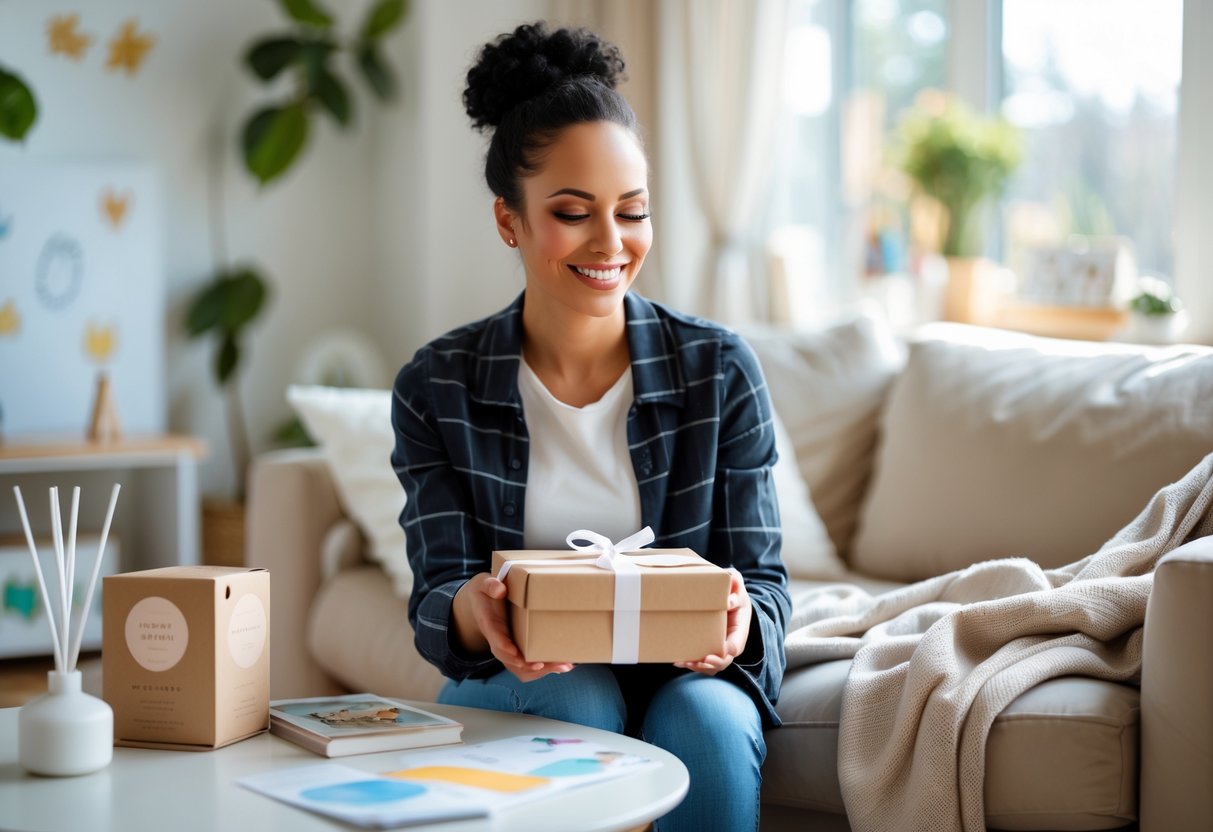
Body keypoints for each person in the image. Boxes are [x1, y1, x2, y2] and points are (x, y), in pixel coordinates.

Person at [390, 22, 790, 831]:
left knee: (707, 725)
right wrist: (480, 610)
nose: (611, 243)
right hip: (534, 673)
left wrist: (741, 620)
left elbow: (765, 583)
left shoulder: (719, 369)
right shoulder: (437, 385)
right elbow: (436, 595)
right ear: (510, 221)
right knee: (575, 691)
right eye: (573, 213)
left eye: (632, 212)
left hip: (686, 674)